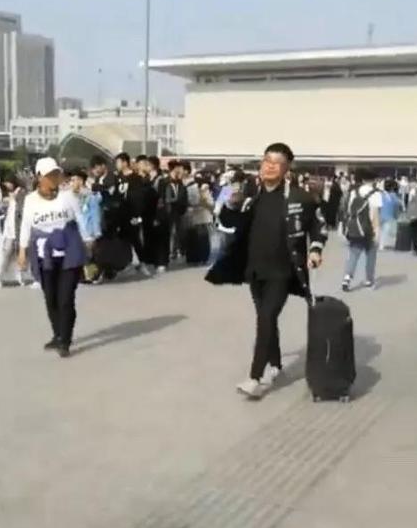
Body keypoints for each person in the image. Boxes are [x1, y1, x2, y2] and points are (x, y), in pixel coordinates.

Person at [206, 142, 327, 400]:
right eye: (267, 161)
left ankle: (255, 377)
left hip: (283, 271)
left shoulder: (299, 198)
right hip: (255, 270)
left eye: (277, 163)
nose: (270, 166)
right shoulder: (252, 197)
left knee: (266, 317)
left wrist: (315, 249)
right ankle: (276, 363)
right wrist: (230, 204)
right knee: (266, 319)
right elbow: (228, 223)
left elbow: (319, 226)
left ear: (286, 168)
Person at [18, 158, 93, 357]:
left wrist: (88, 240)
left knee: (66, 298)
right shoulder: (30, 200)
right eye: (49, 175)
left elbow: (80, 218)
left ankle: (65, 341)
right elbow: (26, 225)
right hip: (45, 255)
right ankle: (57, 333)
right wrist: (22, 251)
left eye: (56, 174)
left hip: (69, 252)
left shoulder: (68, 197)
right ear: (39, 177)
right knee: (51, 298)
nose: (54, 178)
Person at [341, 168, 382, 291]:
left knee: (353, 254)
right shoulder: (376, 194)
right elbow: (375, 214)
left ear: (363, 180)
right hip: (368, 229)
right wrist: (377, 232)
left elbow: (349, 210)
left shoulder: (354, 192)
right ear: (374, 180)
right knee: (371, 255)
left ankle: (347, 278)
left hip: (355, 228)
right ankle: (369, 279)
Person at [0, 171, 27, 288]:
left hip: (16, 228)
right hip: (10, 228)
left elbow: (20, 207)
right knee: (9, 254)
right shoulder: (14, 193)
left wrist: (12, 198)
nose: (7, 185)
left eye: (8, 183)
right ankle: (2, 278)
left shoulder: (21, 192)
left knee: (9, 254)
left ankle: (0, 278)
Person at [115, 152, 150, 276]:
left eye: (118, 162)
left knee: (136, 239)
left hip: (132, 213)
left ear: (125, 162)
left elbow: (139, 198)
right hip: (121, 213)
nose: (117, 165)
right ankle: (128, 263)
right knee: (123, 239)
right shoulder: (118, 177)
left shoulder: (135, 178)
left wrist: (137, 215)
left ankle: (143, 263)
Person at [155, 159, 188, 271]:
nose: (181, 170)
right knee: (164, 236)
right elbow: (160, 198)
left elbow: (184, 197)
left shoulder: (180, 183)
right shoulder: (163, 182)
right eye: (179, 168)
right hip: (165, 213)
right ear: (174, 169)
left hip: (177, 213)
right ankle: (162, 260)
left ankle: (171, 255)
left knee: (176, 234)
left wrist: (182, 208)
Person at [379, 179, 402, 250]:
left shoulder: (381, 194)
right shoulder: (393, 196)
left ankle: (381, 244)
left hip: (382, 215)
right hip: (389, 215)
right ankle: (383, 244)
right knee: (387, 230)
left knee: (383, 230)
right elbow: (398, 204)